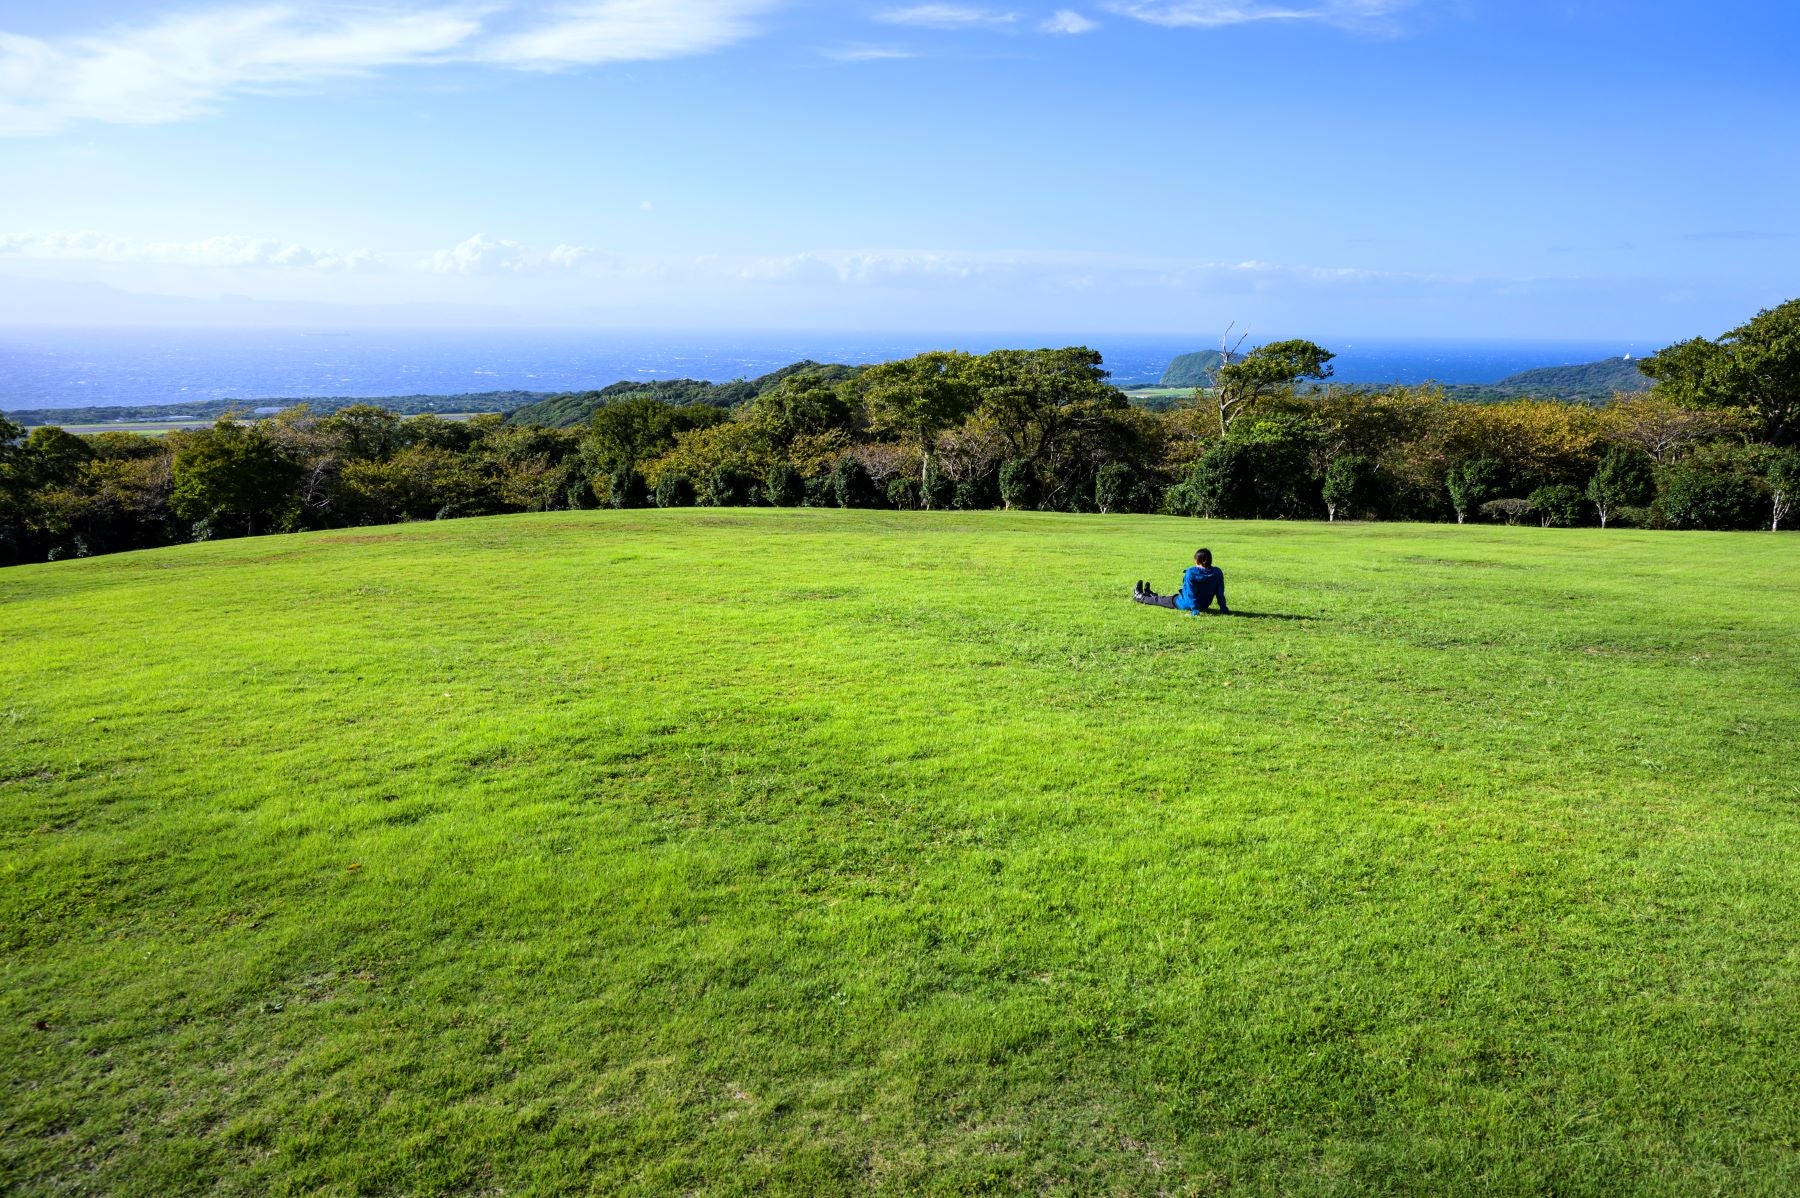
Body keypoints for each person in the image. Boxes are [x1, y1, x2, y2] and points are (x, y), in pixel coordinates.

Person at [1133, 548, 1230, 615]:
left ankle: (1139, 597)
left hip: (1186, 604)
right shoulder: (1217, 572)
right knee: (1167, 598)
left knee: (1161, 601)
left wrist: (1195, 610)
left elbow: (1191, 594)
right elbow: (1220, 593)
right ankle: (1150, 594)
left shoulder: (1191, 573)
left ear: (1196, 561)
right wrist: (1223, 608)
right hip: (1204, 605)